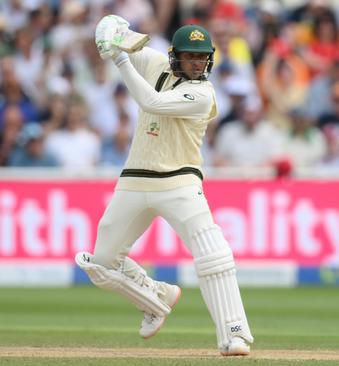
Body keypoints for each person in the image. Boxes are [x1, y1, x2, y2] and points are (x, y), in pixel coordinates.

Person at [74, 15, 253, 356]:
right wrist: (110, 28)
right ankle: (155, 296)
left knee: (214, 255)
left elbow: (151, 102)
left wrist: (120, 59)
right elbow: (118, 36)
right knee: (100, 263)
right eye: (190, 56)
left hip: (180, 182)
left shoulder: (203, 93)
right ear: (175, 56)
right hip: (135, 179)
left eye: (202, 56)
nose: (197, 63)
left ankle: (235, 335)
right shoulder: (155, 62)